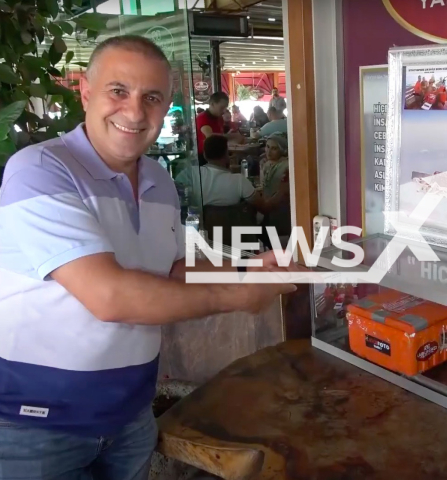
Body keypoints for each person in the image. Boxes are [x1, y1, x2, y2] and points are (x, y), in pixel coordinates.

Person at [0, 35, 297, 480]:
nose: (135, 112)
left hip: (131, 417)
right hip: (37, 426)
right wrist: (236, 296)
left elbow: (175, 270)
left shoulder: (157, 177)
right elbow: (111, 296)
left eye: (152, 98)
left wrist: (247, 267)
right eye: (118, 91)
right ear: (85, 91)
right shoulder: (40, 169)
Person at [195, 92, 243, 165]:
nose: (224, 111)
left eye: (225, 108)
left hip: (218, 156)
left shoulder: (219, 118)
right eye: (222, 107)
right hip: (206, 158)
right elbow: (210, 136)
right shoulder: (202, 117)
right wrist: (233, 136)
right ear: (212, 104)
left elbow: (220, 136)